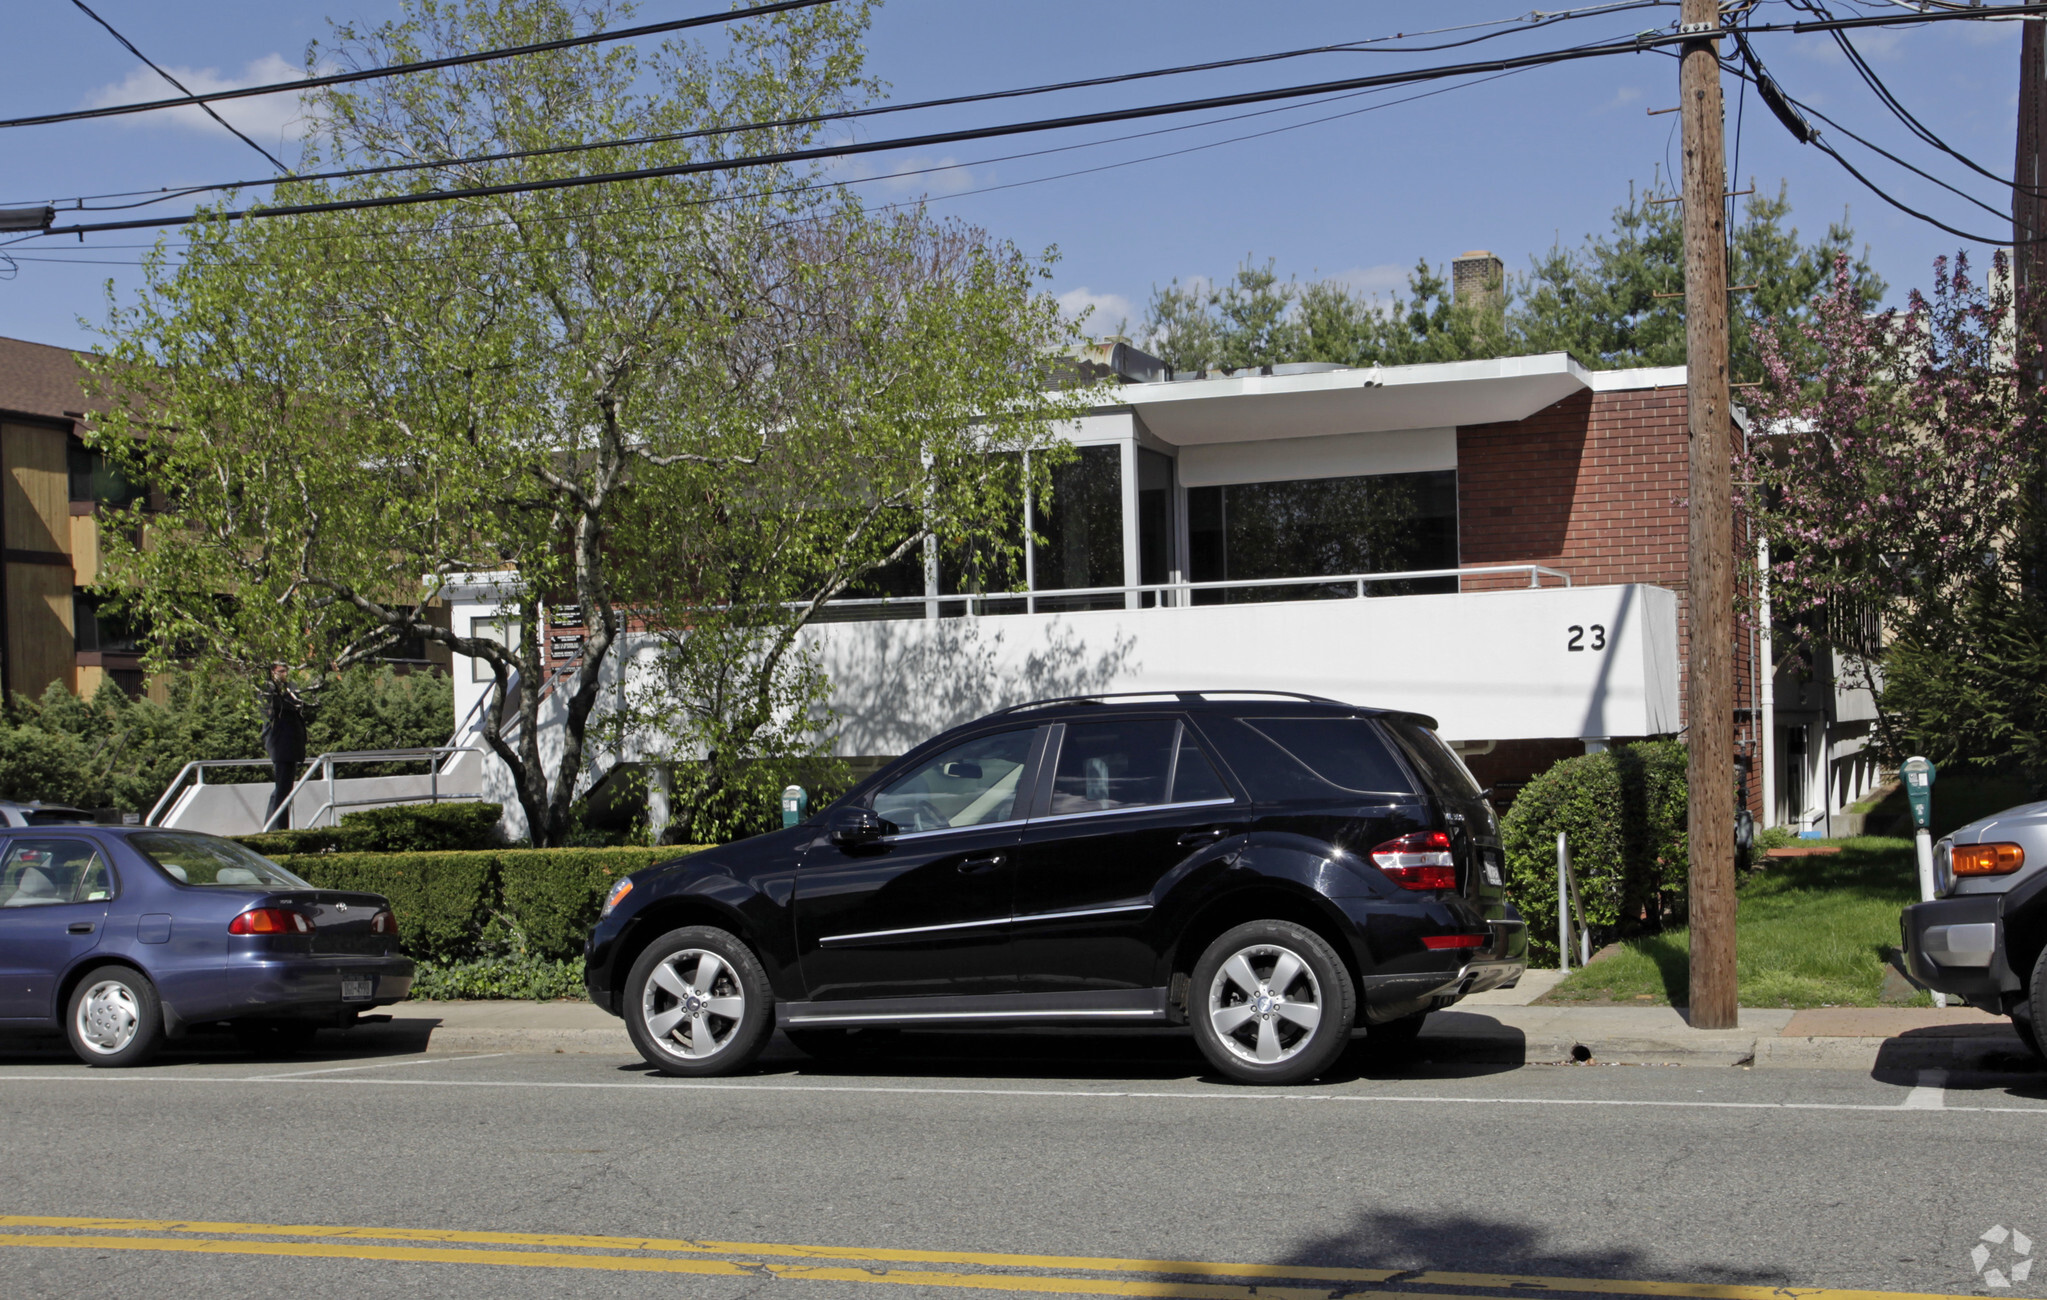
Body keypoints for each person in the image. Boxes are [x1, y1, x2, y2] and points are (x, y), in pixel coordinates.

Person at [258, 663, 316, 829]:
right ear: (272, 672)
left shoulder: (289, 689)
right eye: (281, 671)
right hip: (280, 745)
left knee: (284, 789)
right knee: (282, 789)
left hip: (290, 746)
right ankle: (277, 828)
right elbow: (276, 707)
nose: (285, 674)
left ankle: (275, 826)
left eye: (286, 671)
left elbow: (296, 704)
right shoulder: (268, 690)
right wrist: (288, 696)